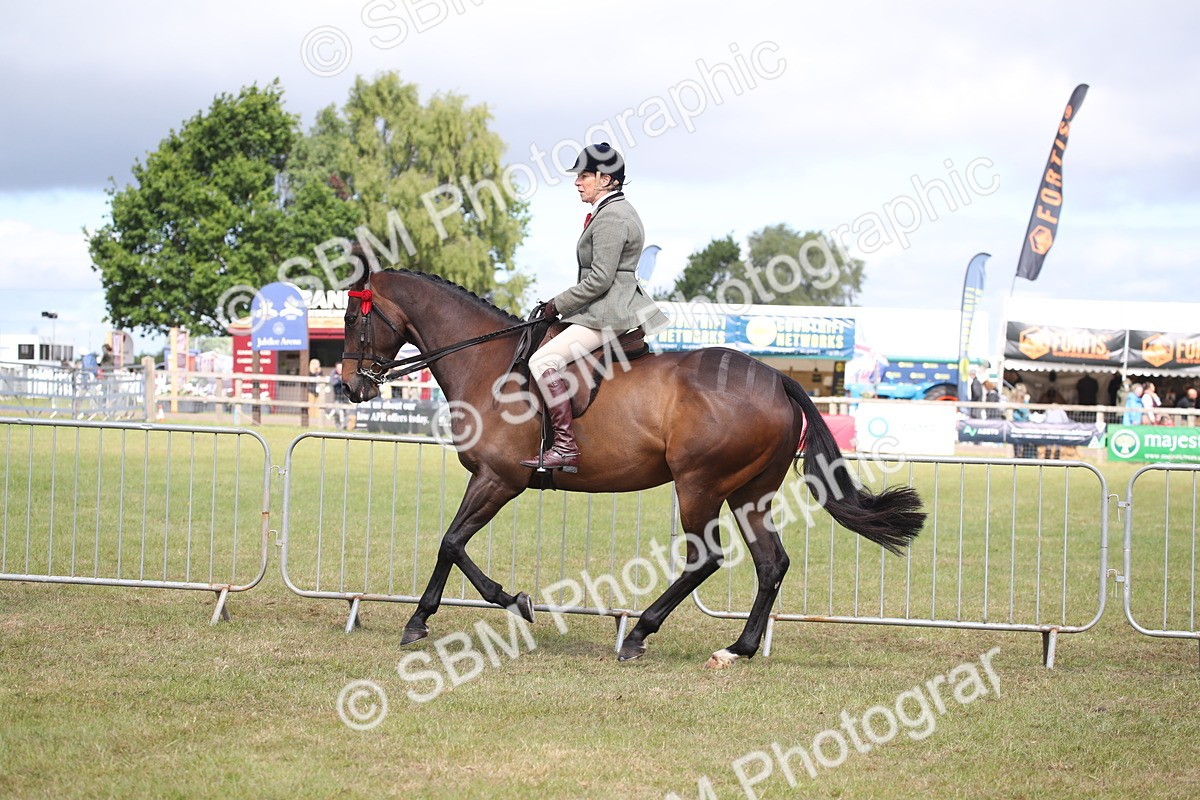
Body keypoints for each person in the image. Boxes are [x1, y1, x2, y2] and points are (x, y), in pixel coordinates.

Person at [519, 142, 670, 472]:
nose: (577, 182)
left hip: (609, 313)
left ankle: (564, 447)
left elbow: (600, 280)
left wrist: (556, 304)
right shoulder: (610, 212)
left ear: (608, 179)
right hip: (602, 308)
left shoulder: (613, 218)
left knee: (543, 359)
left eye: (585, 175)